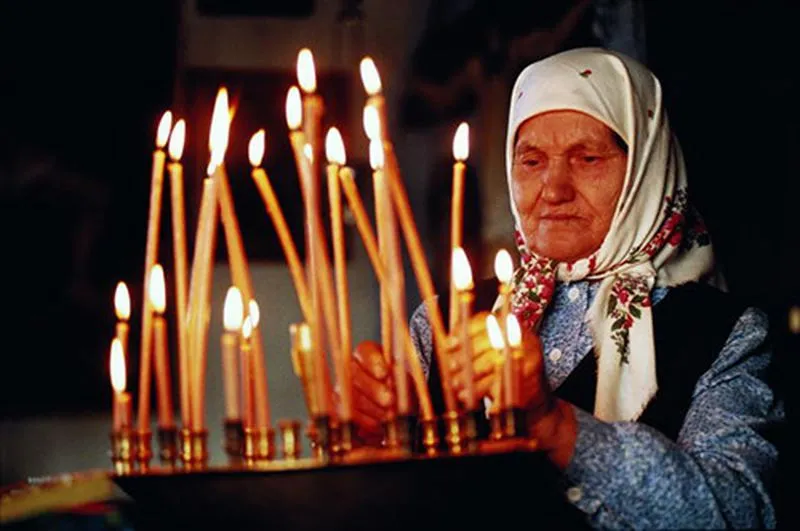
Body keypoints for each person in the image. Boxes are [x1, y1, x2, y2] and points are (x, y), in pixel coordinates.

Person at [350, 47, 784, 528]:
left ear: (647, 168)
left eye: (587, 158)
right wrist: (376, 438)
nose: (554, 189)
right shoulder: (443, 320)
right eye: (531, 160)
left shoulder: (727, 333)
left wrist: (553, 424)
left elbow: (739, 513)